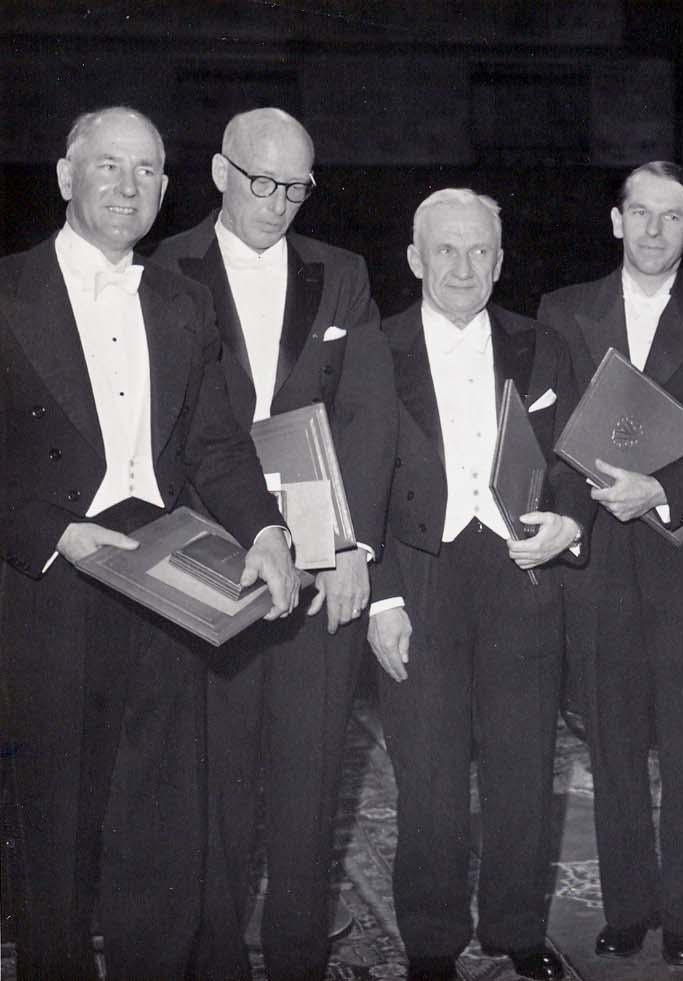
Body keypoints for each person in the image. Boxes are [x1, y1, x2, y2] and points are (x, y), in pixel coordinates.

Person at [0, 106, 299, 980]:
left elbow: (214, 443)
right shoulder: (6, 292)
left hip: (164, 568)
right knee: (55, 821)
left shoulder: (181, 298)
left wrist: (269, 531)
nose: (129, 189)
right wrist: (53, 532)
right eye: (108, 167)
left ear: (169, 189)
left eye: (147, 172)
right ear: (65, 175)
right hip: (51, 568)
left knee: (162, 820)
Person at [152, 107, 396, 981]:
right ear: (219, 174)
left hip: (318, 555)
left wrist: (352, 549)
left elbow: (368, 419)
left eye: (298, 186)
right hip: (206, 556)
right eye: (264, 182)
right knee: (211, 788)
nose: (282, 202)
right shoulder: (162, 267)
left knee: (308, 781)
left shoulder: (343, 273)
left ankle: (297, 962)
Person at [366, 188, 590, 981]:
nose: (463, 267)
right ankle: (431, 939)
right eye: (446, 251)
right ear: (415, 258)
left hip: (518, 569)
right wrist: (382, 597)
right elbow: (359, 486)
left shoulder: (544, 345)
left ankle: (516, 925)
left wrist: (567, 523)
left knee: (525, 761)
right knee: (426, 770)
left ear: (500, 261)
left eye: (480, 252)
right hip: (418, 573)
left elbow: (573, 460)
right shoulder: (372, 346)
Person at [536, 161, 683, 965]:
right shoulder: (564, 311)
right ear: (616, 220)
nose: (655, 230)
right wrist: (571, 507)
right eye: (641, 213)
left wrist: (660, 488)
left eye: (674, 217)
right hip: (599, 554)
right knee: (613, 739)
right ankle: (628, 908)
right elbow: (554, 435)